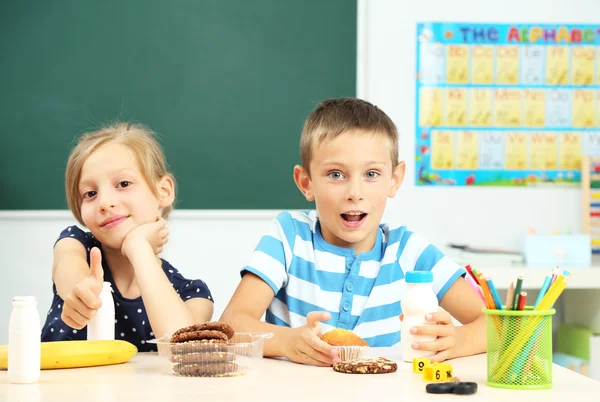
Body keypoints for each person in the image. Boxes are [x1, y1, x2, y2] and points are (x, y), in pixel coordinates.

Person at [220, 98, 485, 366]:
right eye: (336, 175)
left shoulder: (411, 252)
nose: (354, 193)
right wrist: (286, 342)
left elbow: (495, 324)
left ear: (394, 180)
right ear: (306, 182)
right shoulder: (289, 237)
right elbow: (231, 325)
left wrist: (457, 341)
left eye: (371, 174)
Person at [41, 122, 213, 351]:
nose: (104, 203)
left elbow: (180, 348)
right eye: (90, 194)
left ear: (164, 191)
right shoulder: (76, 245)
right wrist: (80, 292)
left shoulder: (192, 293)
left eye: (123, 184)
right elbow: (69, 270)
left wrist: (138, 247)